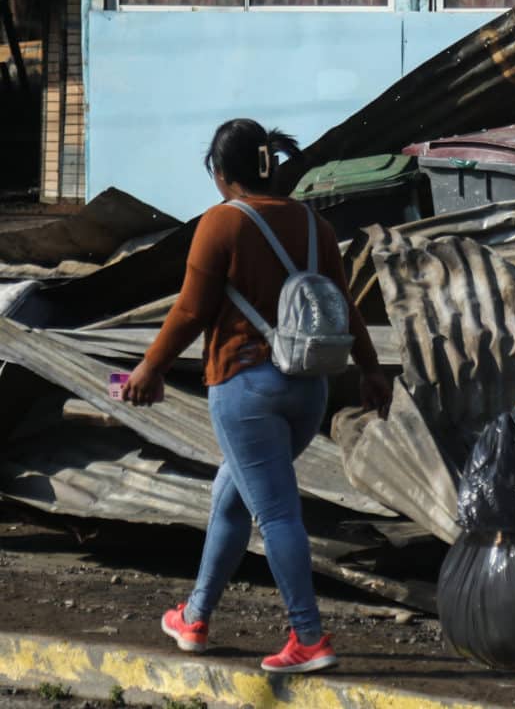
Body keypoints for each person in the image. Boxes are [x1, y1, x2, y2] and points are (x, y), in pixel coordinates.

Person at [121, 118, 391, 673]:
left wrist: (150, 368)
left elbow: (192, 310)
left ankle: (309, 638)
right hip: (307, 390)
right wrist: (370, 371)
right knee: (233, 496)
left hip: (246, 391)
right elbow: (346, 307)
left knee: (276, 515)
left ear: (222, 175)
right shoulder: (314, 223)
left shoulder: (222, 223)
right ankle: (194, 618)